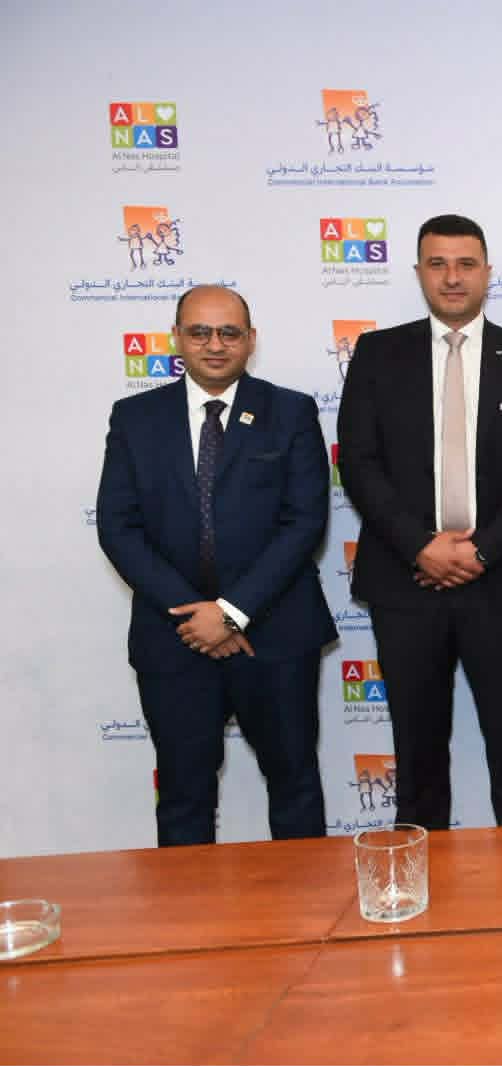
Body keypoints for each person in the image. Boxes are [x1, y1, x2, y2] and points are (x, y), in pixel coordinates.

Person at [337, 214, 502, 830]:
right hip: (406, 582)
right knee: (415, 755)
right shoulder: (377, 355)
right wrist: (421, 547)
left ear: (487, 272)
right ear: (418, 272)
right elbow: (358, 463)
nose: (452, 277)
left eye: (466, 264)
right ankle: (420, 881)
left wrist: (481, 550)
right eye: (437, 264)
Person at [96, 285, 335, 846]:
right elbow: (118, 527)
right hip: (174, 638)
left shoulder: (291, 412)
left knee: (295, 786)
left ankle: (307, 906)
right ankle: (187, 908)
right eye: (200, 332)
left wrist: (230, 613)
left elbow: (304, 522)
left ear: (251, 340)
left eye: (229, 332)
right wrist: (196, 615)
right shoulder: (135, 417)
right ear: (176, 338)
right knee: (183, 797)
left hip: (276, 634)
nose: (215, 344)